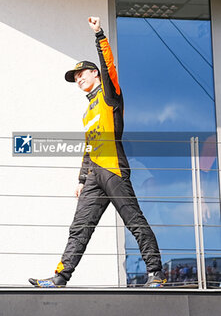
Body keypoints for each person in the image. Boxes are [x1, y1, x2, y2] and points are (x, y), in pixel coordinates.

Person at [29, 17, 167, 288]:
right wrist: (81, 180)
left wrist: (99, 35)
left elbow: (109, 66)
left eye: (82, 74)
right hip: (94, 175)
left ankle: (156, 274)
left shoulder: (109, 95)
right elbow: (88, 146)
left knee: (134, 221)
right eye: (75, 77)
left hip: (114, 169)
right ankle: (59, 277)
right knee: (79, 228)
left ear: (95, 74)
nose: (78, 79)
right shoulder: (87, 111)